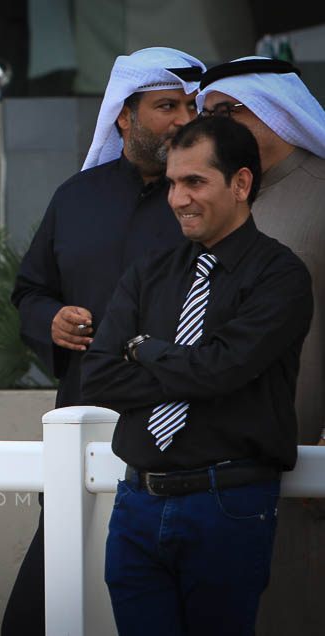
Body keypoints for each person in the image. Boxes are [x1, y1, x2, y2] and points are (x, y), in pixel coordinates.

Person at [80, 115, 313, 635]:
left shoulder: (280, 275)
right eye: (172, 183)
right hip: (137, 504)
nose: (178, 199)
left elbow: (220, 370)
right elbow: (96, 376)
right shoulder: (148, 271)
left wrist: (142, 348)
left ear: (241, 183)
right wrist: (195, 369)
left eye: (194, 182)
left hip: (227, 506)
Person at [4, 47, 204, 635]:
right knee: (45, 606)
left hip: (182, 431)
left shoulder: (207, 204)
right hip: (82, 416)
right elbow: (29, 291)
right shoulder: (76, 196)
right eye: (166, 107)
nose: (183, 120)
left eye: (191, 107)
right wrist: (52, 320)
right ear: (124, 114)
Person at [197, 56, 325, 634]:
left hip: (304, 446)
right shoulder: (217, 201)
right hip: (218, 457)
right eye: (208, 115)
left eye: (230, 112)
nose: (217, 127)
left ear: (278, 110)